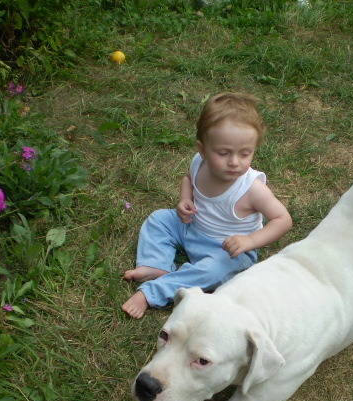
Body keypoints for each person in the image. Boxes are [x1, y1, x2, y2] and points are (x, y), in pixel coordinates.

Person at [122, 93, 292, 319]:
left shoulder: (252, 189)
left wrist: (249, 241)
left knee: (213, 270)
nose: (234, 162)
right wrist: (185, 200)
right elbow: (188, 180)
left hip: (228, 250)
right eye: (223, 153)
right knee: (159, 219)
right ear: (202, 150)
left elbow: (283, 220)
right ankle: (157, 265)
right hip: (191, 228)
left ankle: (152, 292)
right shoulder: (199, 162)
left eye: (245, 153)